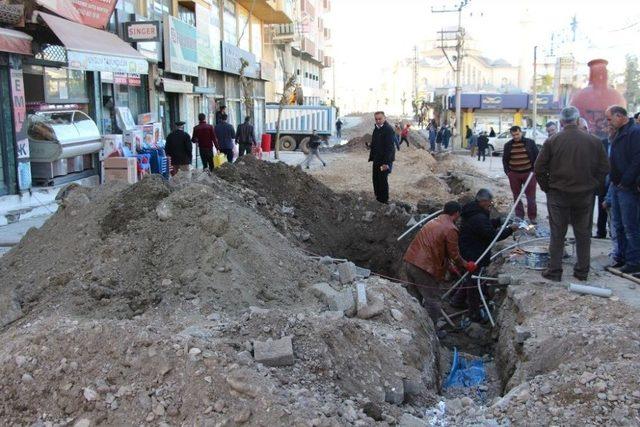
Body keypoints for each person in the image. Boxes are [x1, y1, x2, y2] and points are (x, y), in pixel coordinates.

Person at [534, 106, 609, 281]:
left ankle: (555, 271)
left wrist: (548, 187)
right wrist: (594, 186)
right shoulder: (594, 141)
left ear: (561, 122)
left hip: (558, 194)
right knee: (583, 234)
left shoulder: (553, 141)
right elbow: (604, 168)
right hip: (584, 195)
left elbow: (538, 168)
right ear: (577, 120)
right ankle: (582, 271)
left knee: (557, 233)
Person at [403, 201, 476, 322]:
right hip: (424, 268)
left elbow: (437, 247)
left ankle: (413, 324)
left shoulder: (433, 221)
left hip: (410, 260)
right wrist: (466, 264)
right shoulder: (451, 229)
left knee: (414, 297)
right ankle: (432, 329)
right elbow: (454, 255)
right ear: (457, 213)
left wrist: (448, 266)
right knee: (432, 300)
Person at [450, 189, 518, 320]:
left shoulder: (473, 211)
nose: (490, 204)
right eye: (489, 202)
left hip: (468, 248)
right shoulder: (478, 217)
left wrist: (498, 221)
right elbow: (492, 235)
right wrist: (510, 230)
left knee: (470, 279)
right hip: (473, 252)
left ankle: (457, 301)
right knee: (474, 283)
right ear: (482, 201)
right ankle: (474, 314)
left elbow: (484, 227)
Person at [606, 105, 640, 274]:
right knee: (618, 225)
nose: (608, 122)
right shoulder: (620, 132)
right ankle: (621, 257)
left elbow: (636, 161)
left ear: (619, 116)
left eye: (609, 118)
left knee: (630, 226)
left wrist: (626, 181)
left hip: (628, 187)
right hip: (617, 186)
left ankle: (634, 261)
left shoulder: (634, 132)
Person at [502, 125, 539, 223]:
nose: (516, 137)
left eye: (517, 134)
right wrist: (508, 173)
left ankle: (532, 217)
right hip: (514, 174)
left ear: (521, 132)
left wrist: (534, 171)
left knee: (531, 197)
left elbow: (537, 157)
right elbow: (505, 160)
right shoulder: (508, 145)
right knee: (516, 196)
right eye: (513, 135)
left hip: (529, 174)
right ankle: (519, 216)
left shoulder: (530, 143)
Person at [369, 111, 396, 204]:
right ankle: (378, 198)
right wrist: (370, 146)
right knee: (376, 179)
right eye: (376, 119)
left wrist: (386, 163)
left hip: (384, 161)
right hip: (377, 159)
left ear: (384, 118)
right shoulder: (376, 129)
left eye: (380, 119)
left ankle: (384, 200)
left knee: (382, 180)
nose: (378, 121)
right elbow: (376, 143)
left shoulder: (388, 130)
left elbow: (390, 148)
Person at [596, 127, 615, 239]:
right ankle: (601, 232)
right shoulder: (602, 143)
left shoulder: (619, 143)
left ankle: (613, 233)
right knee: (601, 206)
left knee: (613, 209)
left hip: (615, 180)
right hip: (604, 180)